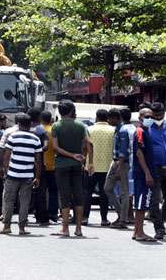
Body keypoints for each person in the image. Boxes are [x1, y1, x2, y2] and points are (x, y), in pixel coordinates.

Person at [51, 100, 93, 237]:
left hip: (61, 165)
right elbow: (88, 144)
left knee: (64, 196)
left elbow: (56, 148)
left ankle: (65, 228)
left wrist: (71, 155)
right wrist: (87, 161)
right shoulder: (81, 126)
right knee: (78, 195)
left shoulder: (56, 126)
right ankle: (79, 228)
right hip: (77, 165)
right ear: (72, 111)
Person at [0, 114, 42, 235]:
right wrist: (37, 177)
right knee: (24, 202)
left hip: (12, 174)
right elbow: (38, 160)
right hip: (27, 176)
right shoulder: (36, 139)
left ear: (19, 124)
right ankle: (22, 228)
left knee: (9, 200)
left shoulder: (13, 137)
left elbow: (6, 156)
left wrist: (4, 169)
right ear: (30, 124)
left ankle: (6, 226)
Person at [84, 109, 114, 226]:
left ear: (96, 117)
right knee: (103, 193)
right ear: (107, 118)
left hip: (91, 166)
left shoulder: (89, 129)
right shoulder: (113, 130)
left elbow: (86, 147)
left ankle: (85, 218)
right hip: (107, 166)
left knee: (88, 192)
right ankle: (104, 219)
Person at [104, 108, 131, 229]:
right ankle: (121, 214)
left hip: (122, 163)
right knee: (107, 188)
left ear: (116, 118)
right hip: (115, 163)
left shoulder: (123, 131)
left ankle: (123, 219)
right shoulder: (117, 129)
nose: (108, 121)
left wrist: (119, 168)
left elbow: (123, 151)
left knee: (124, 192)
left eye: (110, 118)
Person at [131, 108, 156, 242]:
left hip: (142, 174)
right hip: (142, 174)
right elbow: (139, 153)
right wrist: (147, 173)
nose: (150, 118)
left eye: (151, 116)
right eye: (147, 116)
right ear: (140, 117)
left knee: (140, 204)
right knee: (141, 205)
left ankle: (137, 231)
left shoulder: (146, 131)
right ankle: (140, 232)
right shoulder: (140, 132)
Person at [148, 102, 166, 240]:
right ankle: (159, 228)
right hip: (155, 169)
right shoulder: (147, 128)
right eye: (156, 115)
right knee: (154, 200)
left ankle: (162, 219)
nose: (158, 117)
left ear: (164, 113)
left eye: (160, 115)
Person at [27, 108, 49, 225]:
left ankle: (24, 216)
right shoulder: (41, 130)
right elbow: (46, 146)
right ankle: (42, 217)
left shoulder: (22, 129)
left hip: (24, 164)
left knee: (24, 191)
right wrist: (37, 150)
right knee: (40, 191)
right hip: (38, 164)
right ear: (39, 117)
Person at [40, 111, 59, 222]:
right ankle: (53, 214)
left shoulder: (38, 130)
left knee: (40, 191)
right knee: (53, 190)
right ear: (51, 119)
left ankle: (40, 213)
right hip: (53, 165)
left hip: (40, 165)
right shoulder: (54, 130)